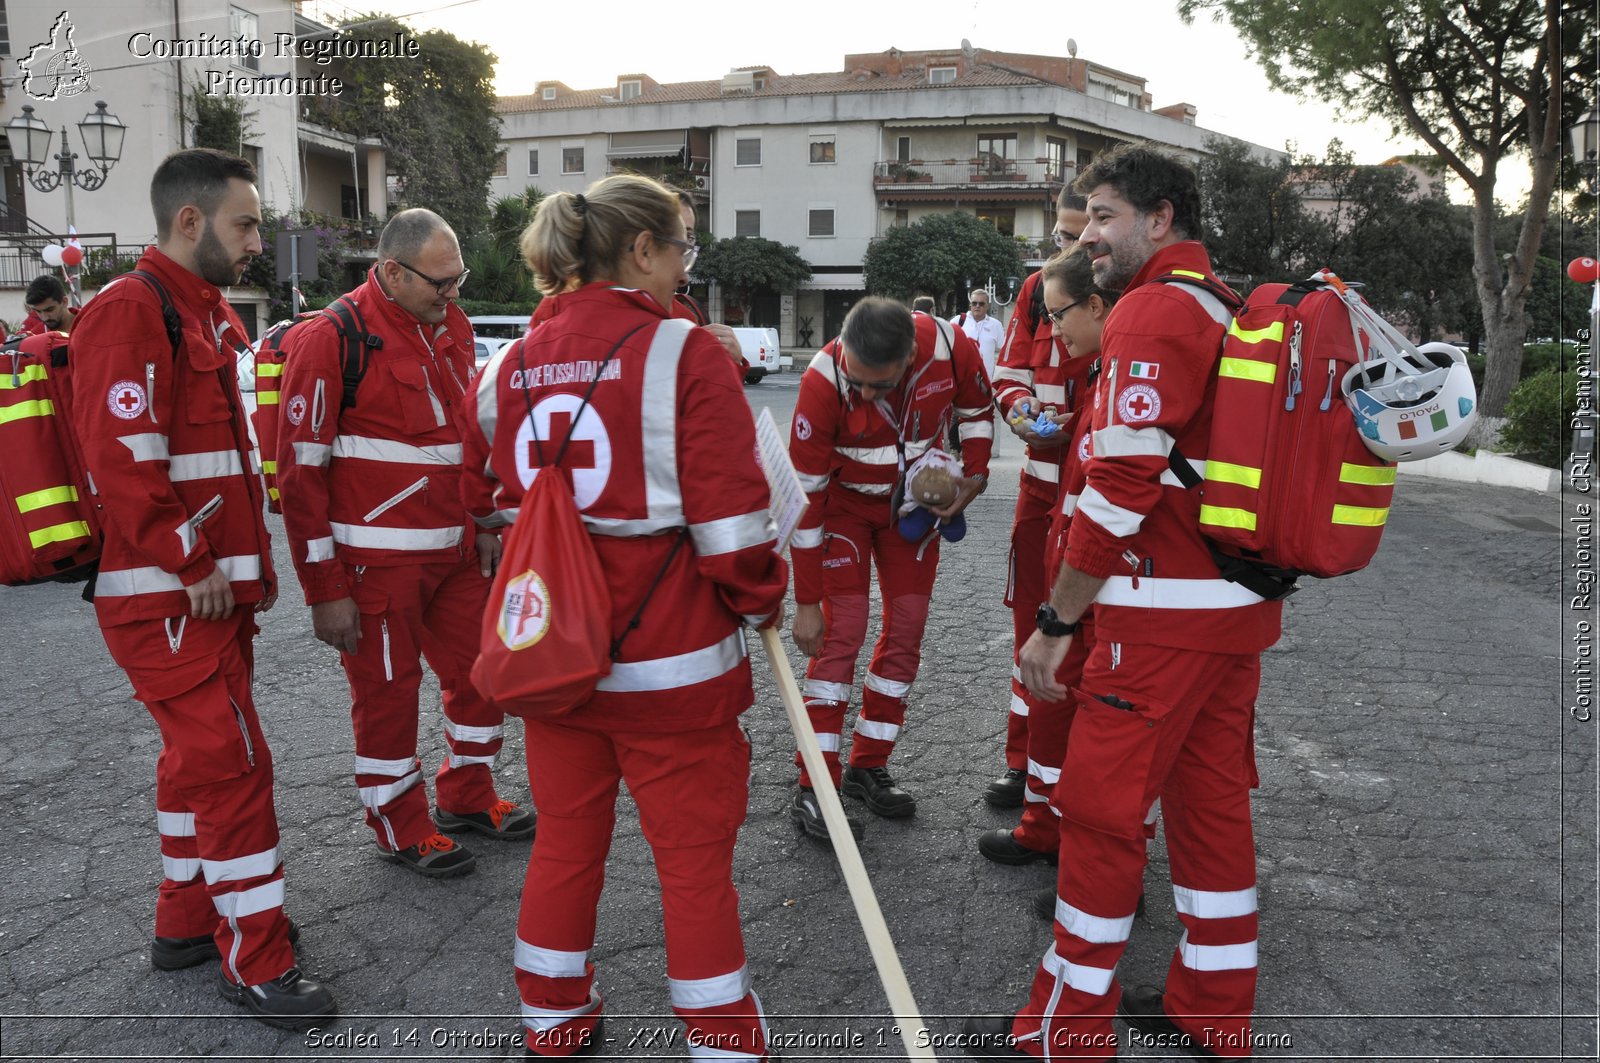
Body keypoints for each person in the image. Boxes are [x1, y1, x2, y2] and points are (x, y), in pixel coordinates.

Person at [962, 144, 1282, 1062]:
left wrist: (1059, 621)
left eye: (1104, 216)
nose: (1088, 235)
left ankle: (1062, 1036)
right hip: (1230, 610)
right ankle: (1215, 1010)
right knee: (1211, 810)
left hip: (1158, 620)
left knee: (1101, 823)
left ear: (1162, 218)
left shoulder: (1150, 313)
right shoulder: (1222, 304)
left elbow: (1119, 485)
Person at [459, 173, 788, 1059]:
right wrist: (765, 598)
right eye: (682, 247)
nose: (685, 267)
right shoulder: (684, 354)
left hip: (554, 657)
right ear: (641, 249)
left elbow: (494, 496)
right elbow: (731, 531)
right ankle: (724, 1040)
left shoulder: (506, 366)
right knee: (691, 865)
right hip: (673, 663)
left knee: (565, 843)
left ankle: (552, 1020)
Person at [66, 148, 334, 1028]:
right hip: (172, 597)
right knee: (232, 771)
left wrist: (237, 570)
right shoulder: (132, 312)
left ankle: (186, 922)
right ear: (191, 223)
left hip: (201, 595)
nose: (258, 240)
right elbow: (124, 462)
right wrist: (196, 561)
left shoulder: (199, 310)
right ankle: (257, 957)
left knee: (199, 765)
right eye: (245, 223)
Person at [275, 208, 533, 880]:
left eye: (458, 279)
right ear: (391, 271)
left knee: (484, 674)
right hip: (376, 568)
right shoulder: (331, 339)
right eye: (440, 283)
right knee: (388, 698)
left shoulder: (451, 325)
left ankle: (467, 796)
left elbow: (467, 438)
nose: (453, 294)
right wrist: (325, 591)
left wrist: (481, 523)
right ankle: (399, 824)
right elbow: (300, 478)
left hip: (454, 553)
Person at [787, 296, 993, 840]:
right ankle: (816, 785)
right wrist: (806, 603)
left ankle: (867, 765)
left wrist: (974, 476)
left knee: (905, 631)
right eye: (856, 381)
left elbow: (975, 412)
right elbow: (802, 503)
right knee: (841, 633)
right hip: (843, 510)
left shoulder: (950, 346)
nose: (864, 394)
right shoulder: (822, 380)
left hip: (912, 510)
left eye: (878, 385)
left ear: (908, 360)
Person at [978, 190, 1089, 811]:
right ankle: (1024, 764)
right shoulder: (1034, 291)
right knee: (1031, 627)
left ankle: (1069, 775)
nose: (1069, 248)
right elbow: (1011, 367)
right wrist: (1018, 408)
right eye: (1061, 236)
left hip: (1090, 494)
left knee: (1081, 635)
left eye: (1083, 236)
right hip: (1038, 489)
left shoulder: (1119, 295)